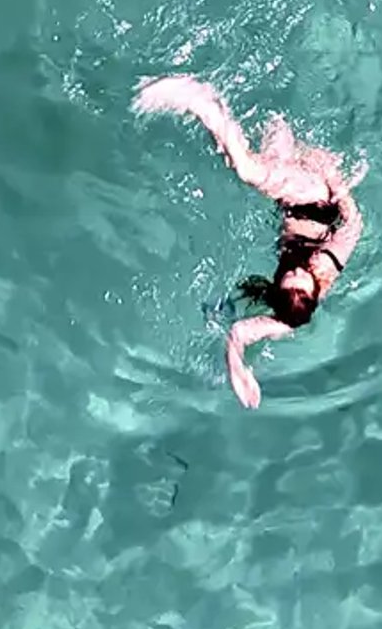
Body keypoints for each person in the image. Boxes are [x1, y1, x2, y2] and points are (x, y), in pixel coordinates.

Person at [134, 72, 364, 409]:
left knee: (274, 124)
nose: (297, 276)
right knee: (247, 170)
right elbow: (355, 222)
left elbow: (240, 334)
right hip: (315, 196)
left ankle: (246, 91)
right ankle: (197, 97)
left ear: (279, 294)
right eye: (304, 284)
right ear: (316, 292)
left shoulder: (287, 319)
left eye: (290, 284)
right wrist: (333, 178)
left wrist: (237, 368)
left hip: (288, 200)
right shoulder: (326, 263)